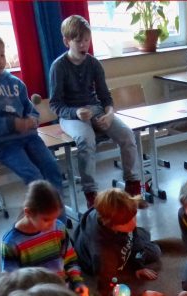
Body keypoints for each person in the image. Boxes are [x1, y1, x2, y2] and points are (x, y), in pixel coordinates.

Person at [49, 15, 141, 206]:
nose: (84, 45)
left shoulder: (93, 63)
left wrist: (109, 114)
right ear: (67, 41)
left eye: (87, 40)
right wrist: (75, 113)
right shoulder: (58, 67)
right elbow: (55, 105)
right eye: (78, 41)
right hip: (71, 116)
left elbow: (105, 97)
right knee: (86, 139)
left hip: (96, 110)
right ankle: (91, 194)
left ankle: (133, 185)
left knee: (127, 135)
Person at [2, 180, 114, 296]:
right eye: (46, 220)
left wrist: (77, 282)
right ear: (28, 212)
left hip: (66, 291)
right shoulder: (12, 242)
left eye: (55, 218)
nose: (51, 225)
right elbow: (12, 282)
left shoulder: (58, 228)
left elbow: (70, 260)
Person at [0, 30, 64, 194]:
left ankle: (57, 218)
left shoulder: (15, 82)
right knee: (35, 178)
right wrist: (13, 124)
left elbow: (30, 110)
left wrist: (33, 119)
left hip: (30, 138)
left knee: (52, 168)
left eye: (2, 55)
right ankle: (44, 216)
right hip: (5, 145)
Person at [72, 188, 161, 295]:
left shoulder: (122, 216)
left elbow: (134, 236)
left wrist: (138, 265)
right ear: (110, 224)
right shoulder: (101, 251)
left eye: (134, 217)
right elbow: (107, 288)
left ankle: (131, 256)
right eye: (126, 222)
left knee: (154, 250)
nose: (133, 224)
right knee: (115, 270)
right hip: (102, 257)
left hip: (118, 241)